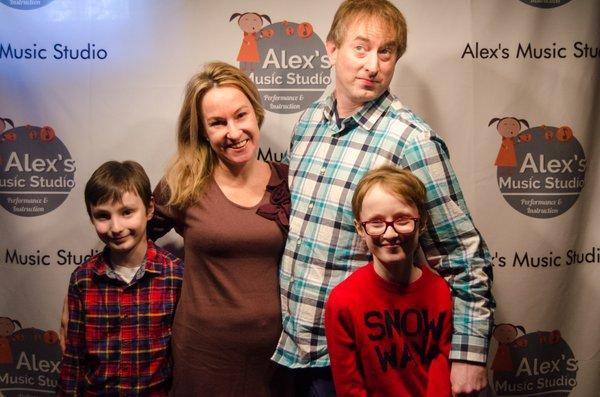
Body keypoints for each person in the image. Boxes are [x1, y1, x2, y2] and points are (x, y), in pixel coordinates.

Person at [272, 0, 494, 395]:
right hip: (291, 349)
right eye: (361, 48)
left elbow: (462, 254)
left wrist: (468, 354)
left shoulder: (412, 141)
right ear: (332, 48)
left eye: (386, 52)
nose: (373, 65)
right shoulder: (308, 123)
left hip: (358, 360)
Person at [149, 61, 291, 396]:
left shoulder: (288, 178)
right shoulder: (184, 183)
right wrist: (83, 296)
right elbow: (129, 239)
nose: (233, 132)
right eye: (217, 123)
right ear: (202, 131)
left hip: (277, 358)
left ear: (256, 113)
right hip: (204, 355)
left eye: (240, 115)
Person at [57, 160, 184, 396]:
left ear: (149, 209)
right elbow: (73, 359)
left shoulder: (176, 275)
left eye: (127, 212)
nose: (116, 227)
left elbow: (185, 356)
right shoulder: (83, 279)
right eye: (103, 216)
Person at [325, 166, 452, 396]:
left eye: (402, 220)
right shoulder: (343, 301)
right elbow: (349, 386)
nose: (390, 233)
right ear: (360, 229)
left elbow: (441, 365)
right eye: (376, 222)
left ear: (421, 222)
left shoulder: (439, 290)